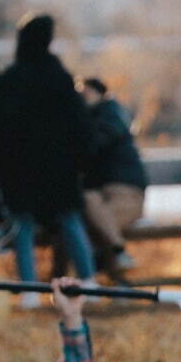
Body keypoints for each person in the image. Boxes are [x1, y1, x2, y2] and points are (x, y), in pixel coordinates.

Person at [0, 13, 96, 299]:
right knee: (70, 221)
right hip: (59, 168)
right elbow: (80, 125)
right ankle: (89, 283)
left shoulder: (11, 80)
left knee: (23, 226)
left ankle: (29, 290)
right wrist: (81, 161)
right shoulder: (60, 78)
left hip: (20, 169)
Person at [78, 76, 149, 277]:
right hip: (103, 196)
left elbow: (97, 143)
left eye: (85, 93)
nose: (82, 98)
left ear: (99, 93)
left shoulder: (110, 115)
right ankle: (118, 257)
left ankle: (108, 270)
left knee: (89, 225)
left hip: (127, 193)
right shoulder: (103, 116)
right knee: (86, 209)